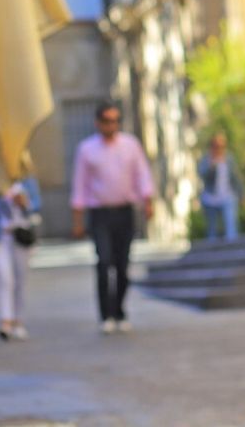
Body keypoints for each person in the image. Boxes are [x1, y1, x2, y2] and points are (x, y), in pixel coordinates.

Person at [71, 100, 154, 334]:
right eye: (107, 121)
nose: (112, 126)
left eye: (116, 121)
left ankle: (119, 310)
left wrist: (148, 202)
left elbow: (142, 175)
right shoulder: (87, 149)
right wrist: (77, 220)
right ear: (98, 123)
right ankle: (105, 315)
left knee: (122, 264)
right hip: (100, 214)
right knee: (103, 261)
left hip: (124, 211)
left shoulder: (130, 145)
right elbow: (80, 185)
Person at [0, 173, 41, 340]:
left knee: (20, 279)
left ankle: (18, 320)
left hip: (20, 236)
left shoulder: (26, 179)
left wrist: (24, 201)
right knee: (5, 278)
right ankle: (5, 321)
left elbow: (36, 205)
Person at [197, 131, 242, 240]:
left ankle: (233, 250)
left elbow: (236, 177)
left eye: (222, 146)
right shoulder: (206, 159)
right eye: (217, 146)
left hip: (228, 196)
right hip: (210, 198)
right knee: (212, 230)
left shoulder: (229, 159)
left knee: (231, 226)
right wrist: (212, 166)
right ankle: (212, 254)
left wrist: (242, 194)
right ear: (212, 146)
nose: (220, 149)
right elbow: (202, 175)